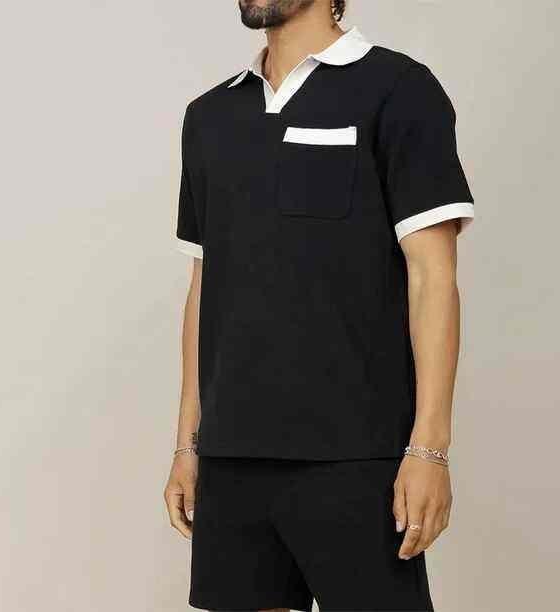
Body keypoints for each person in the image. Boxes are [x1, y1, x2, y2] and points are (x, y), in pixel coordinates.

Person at [164, 1, 475, 610]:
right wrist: (187, 444)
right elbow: (205, 286)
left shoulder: (398, 89)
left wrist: (429, 450)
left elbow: (433, 277)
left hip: (356, 454)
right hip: (232, 454)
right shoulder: (209, 116)